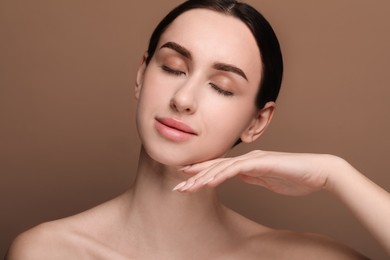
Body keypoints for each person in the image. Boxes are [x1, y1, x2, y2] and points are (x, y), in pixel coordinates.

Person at [5, 0, 389, 259]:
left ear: (258, 121)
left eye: (222, 87)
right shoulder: (49, 250)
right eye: (172, 67)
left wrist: (335, 174)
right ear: (141, 75)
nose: (184, 99)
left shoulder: (301, 257)